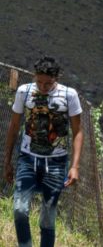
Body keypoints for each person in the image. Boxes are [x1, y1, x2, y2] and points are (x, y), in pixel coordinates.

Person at [3, 56, 84, 247]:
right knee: (20, 209)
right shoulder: (24, 92)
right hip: (28, 158)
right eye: (39, 81)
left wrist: (75, 166)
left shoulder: (69, 95)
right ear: (34, 76)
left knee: (48, 216)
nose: (43, 86)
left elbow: (78, 131)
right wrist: (7, 161)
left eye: (48, 83)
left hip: (56, 162)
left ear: (57, 78)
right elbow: (14, 126)